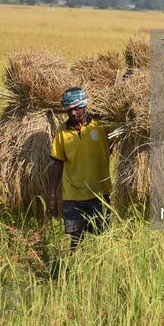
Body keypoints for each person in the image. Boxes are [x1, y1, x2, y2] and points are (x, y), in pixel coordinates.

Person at [48, 87, 114, 251]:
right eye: (69, 109)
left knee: (102, 240)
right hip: (73, 195)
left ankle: (101, 273)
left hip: (99, 193)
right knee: (75, 240)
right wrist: (52, 195)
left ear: (85, 105)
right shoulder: (62, 132)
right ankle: (72, 271)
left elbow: (117, 140)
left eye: (77, 108)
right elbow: (58, 163)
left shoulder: (101, 125)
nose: (73, 113)